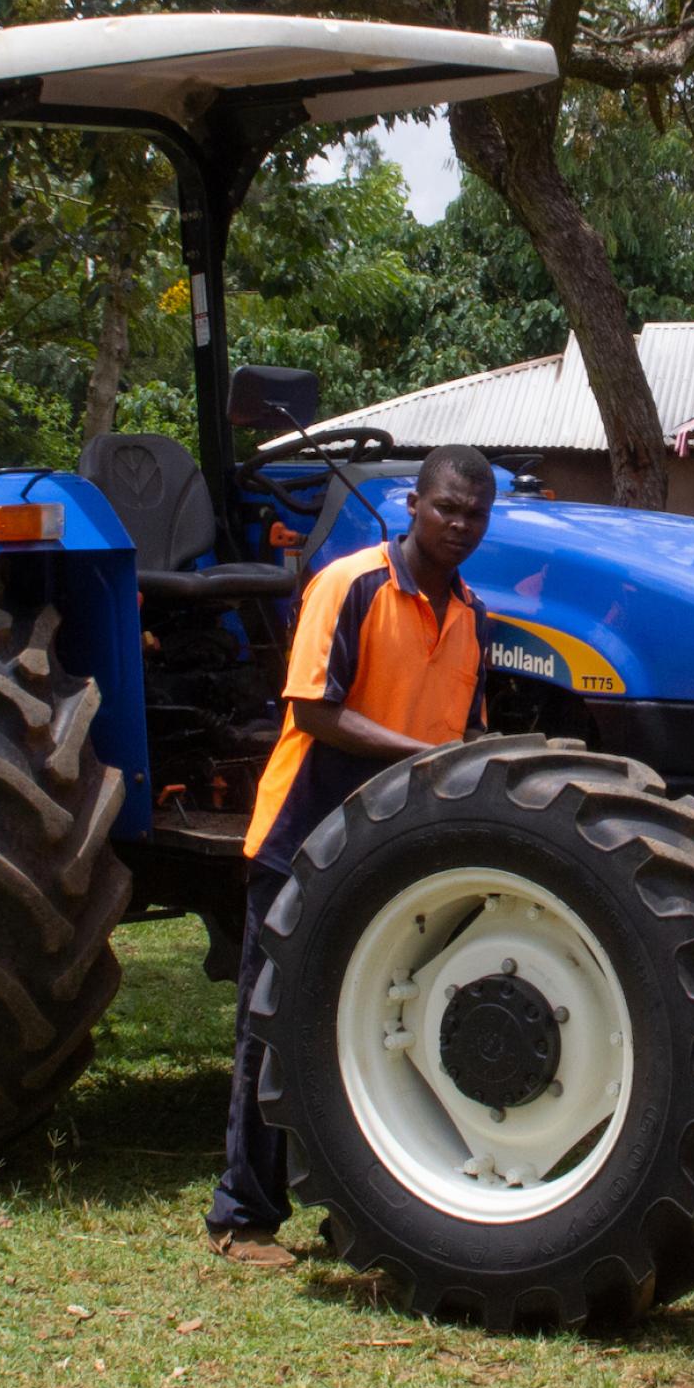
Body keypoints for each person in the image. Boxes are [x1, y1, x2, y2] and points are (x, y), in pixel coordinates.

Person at [206, 444, 497, 1268]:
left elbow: (465, 734)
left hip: (394, 853)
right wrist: (421, 758)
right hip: (303, 838)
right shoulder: (350, 584)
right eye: (446, 507)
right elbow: (314, 710)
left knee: (372, 1032)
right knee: (274, 1027)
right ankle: (242, 1216)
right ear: (412, 503)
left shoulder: (474, 614)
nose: (459, 524)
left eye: (475, 513)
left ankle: (351, 1212)